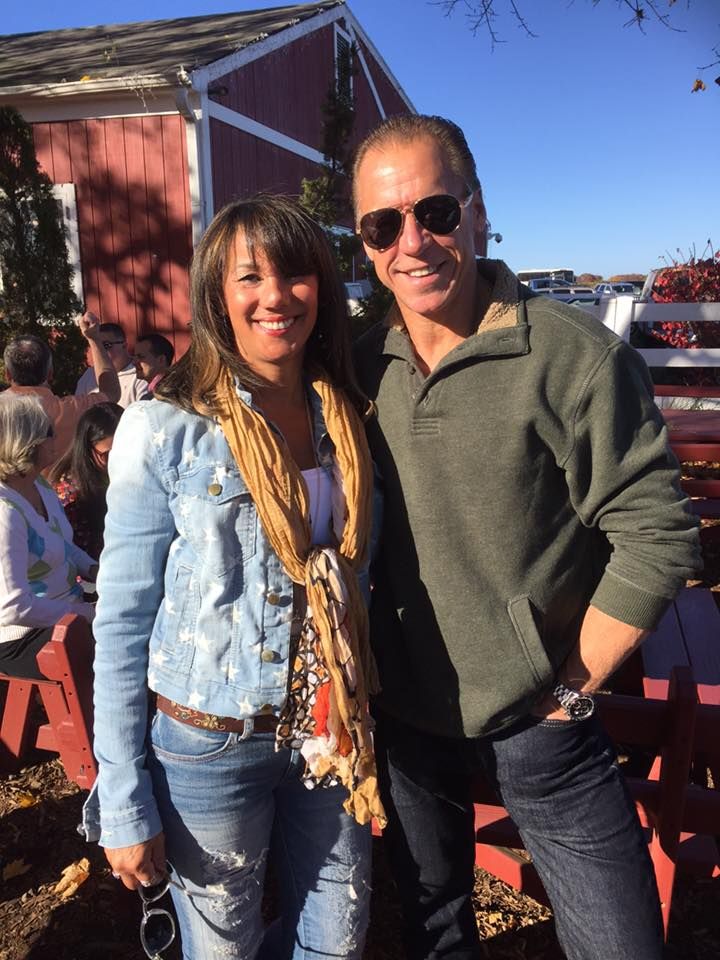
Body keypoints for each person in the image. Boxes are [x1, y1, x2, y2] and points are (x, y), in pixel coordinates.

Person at [351, 114, 701, 960]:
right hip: (404, 719)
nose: (412, 242)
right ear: (364, 243)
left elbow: (657, 535)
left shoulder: (573, 358)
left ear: (477, 212)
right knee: (434, 930)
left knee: (619, 945)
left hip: (542, 725)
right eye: (383, 225)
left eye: (435, 212)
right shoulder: (357, 365)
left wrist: (571, 690)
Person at [81, 195, 384, 960]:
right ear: (218, 294)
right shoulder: (165, 426)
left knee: (338, 942)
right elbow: (122, 618)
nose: (275, 295)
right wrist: (122, 796)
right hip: (210, 743)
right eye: (250, 277)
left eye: (295, 273)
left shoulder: (346, 415)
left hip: (330, 725)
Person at [0, 393, 97, 680]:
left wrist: (95, 569)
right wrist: (85, 613)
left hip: (64, 615)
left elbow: (62, 545)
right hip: (20, 638)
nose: (56, 437)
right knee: (122, 644)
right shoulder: (5, 512)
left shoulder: (39, 484)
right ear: (30, 442)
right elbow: (13, 608)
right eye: (50, 431)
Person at [3, 315, 121, 473]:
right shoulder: (72, 409)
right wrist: (94, 339)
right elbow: (111, 392)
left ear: (7, 374)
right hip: (59, 487)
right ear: (50, 374)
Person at [49, 402, 124, 561]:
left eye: (125, 451)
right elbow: (76, 550)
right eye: (107, 455)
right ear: (87, 449)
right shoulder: (70, 492)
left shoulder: (124, 473)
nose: (117, 460)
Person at [75, 321, 148, 407]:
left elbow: (145, 413)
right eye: (97, 346)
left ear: (124, 346)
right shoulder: (89, 375)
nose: (101, 352)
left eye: (106, 345)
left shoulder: (140, 375)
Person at [133, 332, 175, 396]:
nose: (134, 362)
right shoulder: (161, 388)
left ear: (161, 360)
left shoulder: (169, 392)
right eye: (135, 357)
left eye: (141, 357)